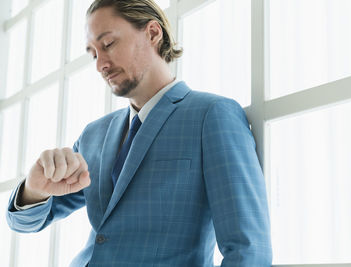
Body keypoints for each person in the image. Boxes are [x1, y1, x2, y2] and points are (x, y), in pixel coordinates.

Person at [6, 0, 272, 266]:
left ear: (153, 33)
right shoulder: (93, 134)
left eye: (108, 44)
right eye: (94, 53)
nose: (100, 65)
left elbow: (249, 250)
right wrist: (33, 189)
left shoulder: (212, 116)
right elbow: (24, 223)